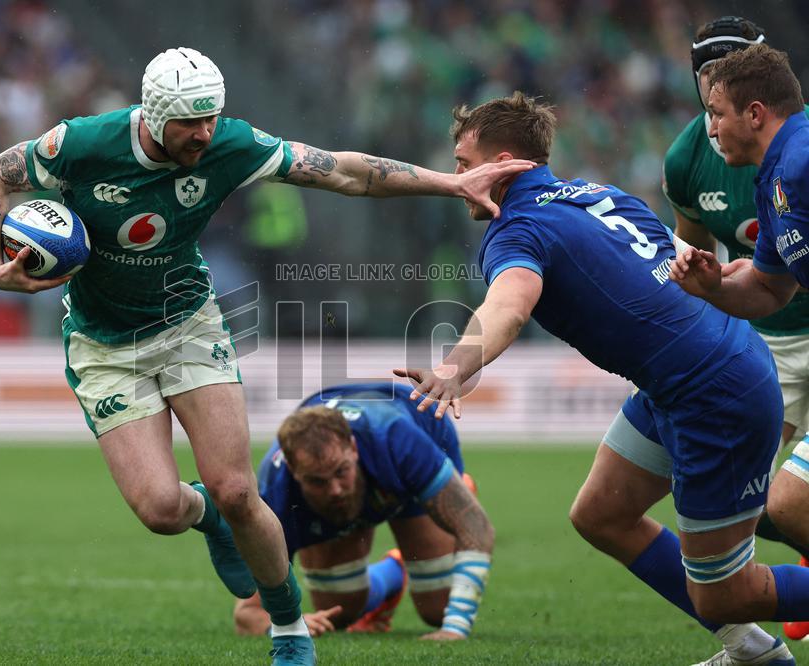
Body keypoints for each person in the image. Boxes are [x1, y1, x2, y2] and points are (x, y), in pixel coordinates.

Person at [0, 47, 531, 666]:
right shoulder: (83, 143)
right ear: (153, 115)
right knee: (161, 510)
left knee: (238, 489)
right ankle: (205, 516)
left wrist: (450, 182)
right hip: (103, 348)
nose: (204, 133)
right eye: (190, 122)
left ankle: (288, 631)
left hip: (188, 324)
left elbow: (343, 172)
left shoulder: (229, 145)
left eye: (212, 117)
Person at [394, 91, 809, 666]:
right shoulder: (598, 193)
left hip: (712, 392)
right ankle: (752, 651)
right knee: (601, 515)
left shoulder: (517, 227)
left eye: (464, 164)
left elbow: (509, 304)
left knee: (725, 593)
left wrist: (454, 365)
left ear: (503, 163)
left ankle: (749, 642)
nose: (456, 178)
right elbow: (678, 265)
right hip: (697, 370)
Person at [668, 42, 809, 645]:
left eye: (717, 113)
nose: (710, 127)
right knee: (776, 501)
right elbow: (771, 289)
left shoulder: (802, 160)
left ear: (754, 113)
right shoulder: (774, 176)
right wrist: (711, 288)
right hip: (781, 342)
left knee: (789, 503)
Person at [232, 383, 494, 641]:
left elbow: (477, 528)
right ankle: (394, 570)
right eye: (317, 481)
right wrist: (290, 624)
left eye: (341, 471)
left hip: (409, 458)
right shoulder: (275, 491)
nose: (335, 490)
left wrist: (455, 628)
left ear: (354, 448)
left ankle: (446, 489)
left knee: (438, 609)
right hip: (365, 479)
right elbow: (247, 613)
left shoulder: (397, 439)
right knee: (338, 611)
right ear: (293, 470)